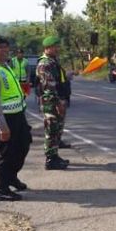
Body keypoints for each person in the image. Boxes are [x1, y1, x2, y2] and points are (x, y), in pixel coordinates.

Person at [0, 35, 31, 201]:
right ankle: (2, 188)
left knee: (23, 146)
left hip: (18, 116)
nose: (4, 50)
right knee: (7, 153)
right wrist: (2, 127)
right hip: (6, 119)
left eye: (5, 47)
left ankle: (11, 177)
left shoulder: (6, 66)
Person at [36, 36, 72, 170]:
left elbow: (57, 79)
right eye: (55, 46)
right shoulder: (45, 64)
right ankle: (50, 159)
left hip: (57, 100)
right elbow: (48, 86)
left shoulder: (52, 61)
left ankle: (55, 156)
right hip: (51, 102)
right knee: (51, 130)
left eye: (58, 46)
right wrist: (57, 103)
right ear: (47, 48)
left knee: (56, 130)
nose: (58, 49)